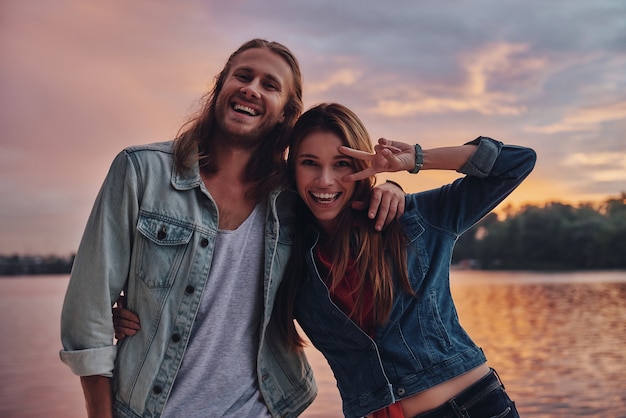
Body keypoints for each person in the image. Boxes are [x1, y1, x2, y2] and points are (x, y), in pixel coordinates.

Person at [59, 40, 404, 418]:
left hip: (260, 407)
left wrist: (393, 187)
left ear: (286, 114)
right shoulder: (142, 172)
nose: (252, 89)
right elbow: (88, 311)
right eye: (242, 76)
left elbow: (347, 209)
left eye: (270, 85)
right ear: (220, 86)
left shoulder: (294, 195)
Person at [272, 103, 536, 418]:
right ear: (293, 169)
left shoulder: (414, 218)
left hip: (471, 408)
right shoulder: (284, 251)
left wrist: (414, 160)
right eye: (310, 163)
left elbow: (517, 162)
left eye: (342, 163)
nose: (325, 180)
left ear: (364, 164)